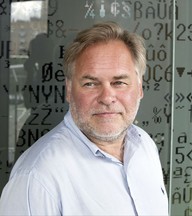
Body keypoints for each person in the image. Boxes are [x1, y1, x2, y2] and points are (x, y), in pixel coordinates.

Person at [0, 21, 168, 215]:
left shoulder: (145, 146)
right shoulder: (37, 179)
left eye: (119, 82)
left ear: (139, 88)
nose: (107, 98)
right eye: (90, 84)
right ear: (69, 90)